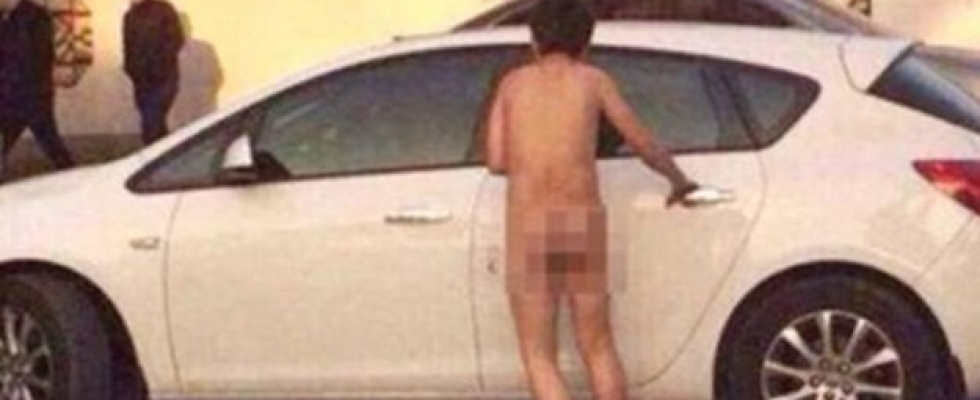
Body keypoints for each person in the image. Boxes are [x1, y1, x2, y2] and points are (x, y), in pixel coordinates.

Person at [484, 0, 698, 399]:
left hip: (529, 224)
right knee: (598, 346)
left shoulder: (512, 84)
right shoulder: (594, 80)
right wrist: (678, 179)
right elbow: (642, 141)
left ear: (535, 41)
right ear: (586, 42)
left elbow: (496, 160)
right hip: (581, 221)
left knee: (538, 355)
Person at [0, 0, 75, 178]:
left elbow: (35, 57)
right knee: (48, 140)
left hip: (29, 94)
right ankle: (72, 173)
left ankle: (73, 174)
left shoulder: (34, 17)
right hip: (16, 94)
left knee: (49, 141)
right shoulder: (13, 18)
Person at [123, 0, 184, 145]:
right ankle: (164, 152)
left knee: (151, 121)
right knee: (154, 121)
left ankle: (156, 152)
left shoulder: (163, 10)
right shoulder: (130, 16)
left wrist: (158, 62)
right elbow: (128, 47)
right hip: (144, 80)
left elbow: (175, 40)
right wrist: (132, 69)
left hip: (161, 78)